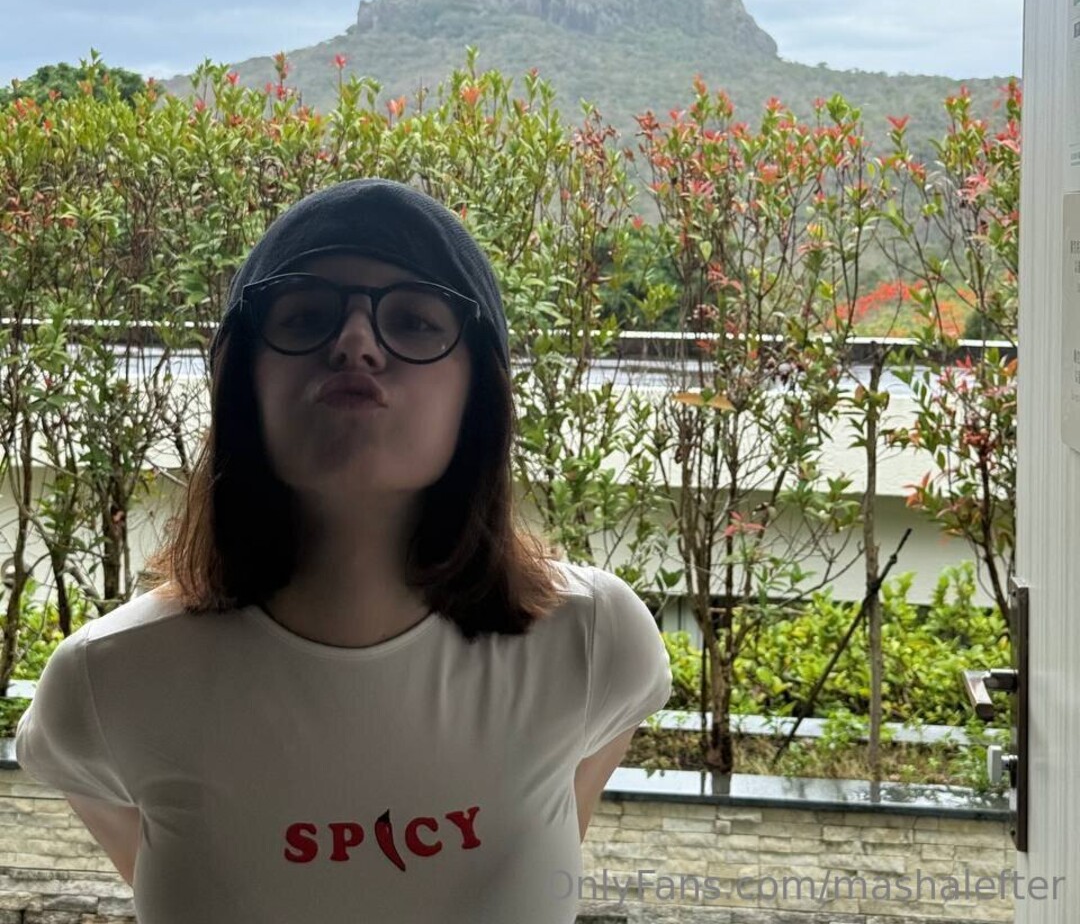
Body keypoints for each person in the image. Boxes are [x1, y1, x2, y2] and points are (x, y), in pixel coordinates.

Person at [14, 177, 672, 924]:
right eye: (306, 315)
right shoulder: (108, 682)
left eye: (415, 321)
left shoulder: (594, 643)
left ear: (478, 393)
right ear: (242, 381)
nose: (356, 342)